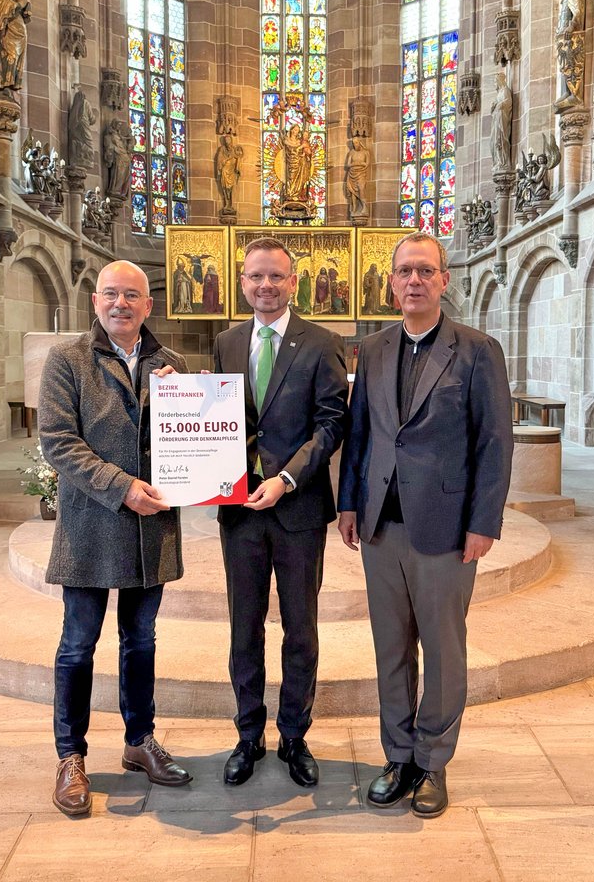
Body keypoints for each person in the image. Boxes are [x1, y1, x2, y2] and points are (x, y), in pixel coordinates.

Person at [337, 231, 512, 819]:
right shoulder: (375, 348)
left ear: (443, 280)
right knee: (390, 649)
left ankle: (434, 762)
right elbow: (359, 435)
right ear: (390, 283)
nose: (414, 281)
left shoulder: (477, 349)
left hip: (444, 525)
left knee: (441, 649)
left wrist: (484, 521)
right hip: (381, 525)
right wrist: (348, 504)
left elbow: (494, 444)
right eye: (404, 271)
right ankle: (398, 756)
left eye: (425, 271)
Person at [38, 260, 193, 818]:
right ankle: (70, 756)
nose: (120, 304)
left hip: (150, 532)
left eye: (132, 295)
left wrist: (185, 404)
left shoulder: (171, 364)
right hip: (91, 525)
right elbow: (58, 441)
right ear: (96, 301)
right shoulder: (69, 360)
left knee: (141, 641)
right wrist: (120, 486)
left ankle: (138, 742)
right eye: (111, 294)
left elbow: (191, 439)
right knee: (78, 645)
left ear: (148, 306)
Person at [211, 236, 348, 787]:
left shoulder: (322, 341)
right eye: (255, 277)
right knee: (244, 627)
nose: (265, 285)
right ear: (242, 282)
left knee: (300, 628)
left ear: (293, 282)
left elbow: (332, 423)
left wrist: (287, 479)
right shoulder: (225, 341)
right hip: (240, 509)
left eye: (276, 276)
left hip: (298, 509)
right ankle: (248, 736)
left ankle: (295, 735)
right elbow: (216, 414)